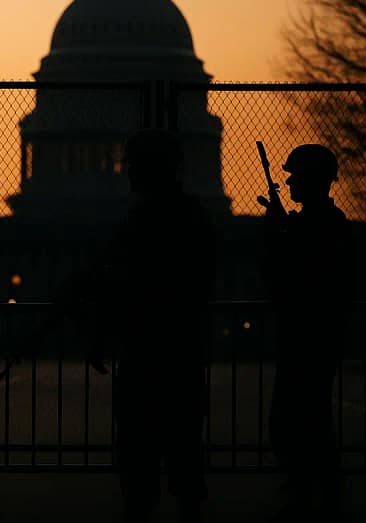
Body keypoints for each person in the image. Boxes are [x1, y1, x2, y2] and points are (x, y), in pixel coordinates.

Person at [89, 129, 215, 523]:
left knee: (141, 449)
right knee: (183, 443)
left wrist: (106, 328)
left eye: (133, 164)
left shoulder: (142, 220)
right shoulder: (193, 216)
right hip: (182, 346)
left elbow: (124, 282)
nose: (127, 171)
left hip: (147, 348)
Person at [259, 144, 354, 520]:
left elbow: (285, 276)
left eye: (295, 175)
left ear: (314, 180)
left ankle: (308, 487)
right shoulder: (327, 224)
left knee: (299, 414)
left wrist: (276, 235)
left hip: (307, 334)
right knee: (307, 412)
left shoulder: (317, 227)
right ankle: (314, 485)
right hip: (315, 333)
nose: (289, 181)